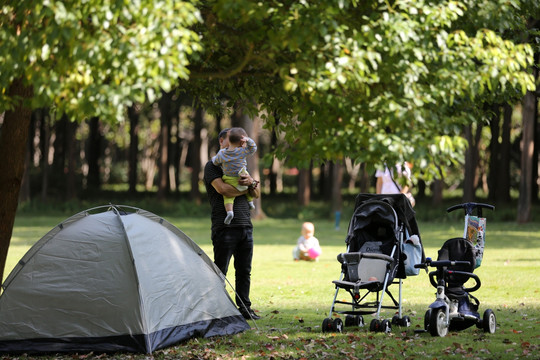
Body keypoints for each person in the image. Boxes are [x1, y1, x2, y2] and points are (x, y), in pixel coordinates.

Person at [203, 128, 261, 320]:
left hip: (245, 225)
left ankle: (245, 308)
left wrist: (251, 182)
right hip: (224, 226)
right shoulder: (213, 166)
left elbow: (257, 194)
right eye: (231, 139)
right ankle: (216, 311)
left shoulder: (238, 162)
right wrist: (246, 187)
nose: (238, 143)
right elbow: (222, 188)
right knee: (220, 270)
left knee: (244, 271)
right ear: (222, 141)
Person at [211, 127, 257, 224]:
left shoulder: (221, 154)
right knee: (245, 181)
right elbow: (224, 190)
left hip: (228, 178)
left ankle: (230, 212)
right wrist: (249, 186)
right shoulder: (241, 152)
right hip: (241, 175)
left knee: (228, 198)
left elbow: (215, 161)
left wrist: (251, 183)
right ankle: (250, 202)